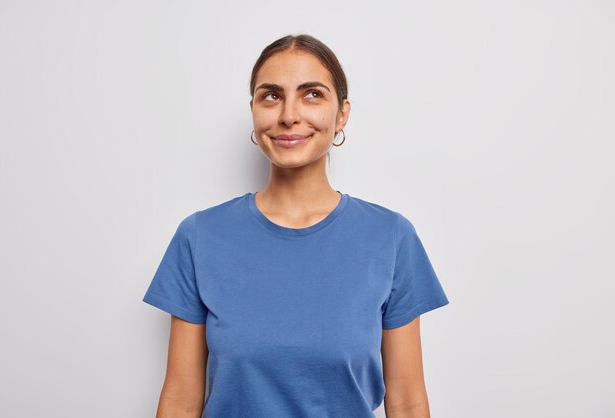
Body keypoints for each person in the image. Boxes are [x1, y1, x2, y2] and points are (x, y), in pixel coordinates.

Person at [142, 33, 450, 418]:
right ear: (254, 111)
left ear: (342, 114)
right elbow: (180, 399)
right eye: (270, 95)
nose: (289, 114)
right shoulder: (199, 237)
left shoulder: (390, 238)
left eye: (312, 94)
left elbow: (406, 401)